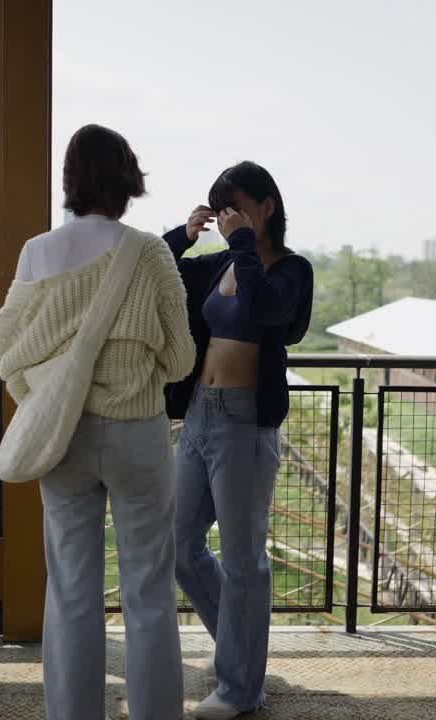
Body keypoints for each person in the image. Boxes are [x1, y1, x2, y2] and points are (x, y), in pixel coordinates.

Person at [0, 124, 196, 720]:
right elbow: (181, 356)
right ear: (128, 178)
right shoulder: (150, 252)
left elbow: (8, 342)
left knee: (73, 592)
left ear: (71, 178)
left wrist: (41, 391)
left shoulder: (38, 251)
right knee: (149, 592)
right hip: (136, 434)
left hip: (64, 436)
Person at [162, 161, 314, 719]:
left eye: (236, 205)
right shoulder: (221, 260)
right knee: (179, 546)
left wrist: (245, 244)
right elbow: (158, 270)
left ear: (266, 205)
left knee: (244, 559)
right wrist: (186, 233)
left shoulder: (290, 270)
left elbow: (269, 308)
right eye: (220, 206)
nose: (228, 215)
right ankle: (242, 651)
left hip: (247, 424)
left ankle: (240, 687)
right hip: (200, 414)